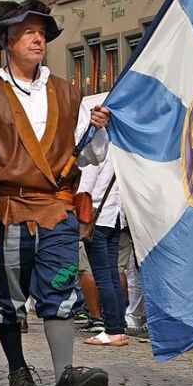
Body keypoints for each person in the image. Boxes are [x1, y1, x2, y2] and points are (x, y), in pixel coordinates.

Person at [0, 0, 111, 386]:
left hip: (57, 210)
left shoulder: (68, 93)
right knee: (8, 297)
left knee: (60, 288)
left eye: (41, 31)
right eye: (26, 31)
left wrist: (96, 131)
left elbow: (88, 156)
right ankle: (18, 370)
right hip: (8, 209)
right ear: (7, 40)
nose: (37, 37)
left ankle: (64, 379)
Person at [78, 147, 127, 347]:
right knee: (113, 274)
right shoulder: (123, 147)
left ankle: (113, 329)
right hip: (117, 216)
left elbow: (85, 187)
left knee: (103, 276)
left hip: (97, 216)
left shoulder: (98, 148)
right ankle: (118, 327)